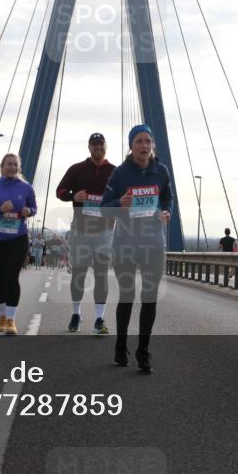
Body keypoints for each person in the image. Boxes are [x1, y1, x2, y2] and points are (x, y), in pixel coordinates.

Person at [101, 124, 174, 373]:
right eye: (139, 142)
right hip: (125, 244)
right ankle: (121, 347)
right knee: (127, 296)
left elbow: (168, 197)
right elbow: (104, 207)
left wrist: (167, 211)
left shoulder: (161, 171)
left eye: (147, 141)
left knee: (150, 298)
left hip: (153, 243)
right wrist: (119, 203)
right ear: (131, 146)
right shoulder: (120, 174)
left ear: (152, 145)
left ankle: (143, 351)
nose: (144, 146)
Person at [56, 133, 115, 334]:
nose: (98, 147)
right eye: (94, 144)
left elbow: (126, 198)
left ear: (106, 146)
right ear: (89, 147)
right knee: (79, 273)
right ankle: (76, 314)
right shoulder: (76, 169)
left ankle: (99, 319)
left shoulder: (115, 171)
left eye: (101, 144)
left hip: (105, 231)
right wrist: (74, 196)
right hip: (81, 230)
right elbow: (60, 192)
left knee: (101, 274)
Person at [0, 153, 37, 335]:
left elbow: (33, 208)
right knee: (0, 278)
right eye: (8, 164)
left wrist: (29, 211)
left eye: (15, 164)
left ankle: (11, 320)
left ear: (18, 168)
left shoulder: (27, 188)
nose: (12, 167)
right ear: (2, 167)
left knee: (12, 277)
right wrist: (0, 210)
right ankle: (2, 316)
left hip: (18, 238)